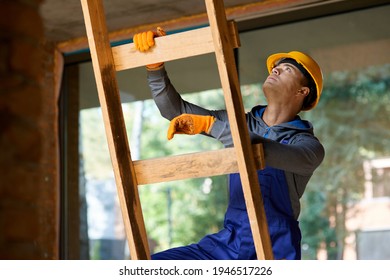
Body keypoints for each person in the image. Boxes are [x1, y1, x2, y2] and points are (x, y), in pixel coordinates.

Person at [133, 29, 325, 260]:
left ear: (302, 91)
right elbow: (175, 111)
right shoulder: (239, 122)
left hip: (277, 249)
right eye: (276, 67)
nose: (276, 69)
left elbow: (256, 149)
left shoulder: (308, 146)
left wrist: (211, 125)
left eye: (287, 69)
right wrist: (155, 69)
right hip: (229, 242)